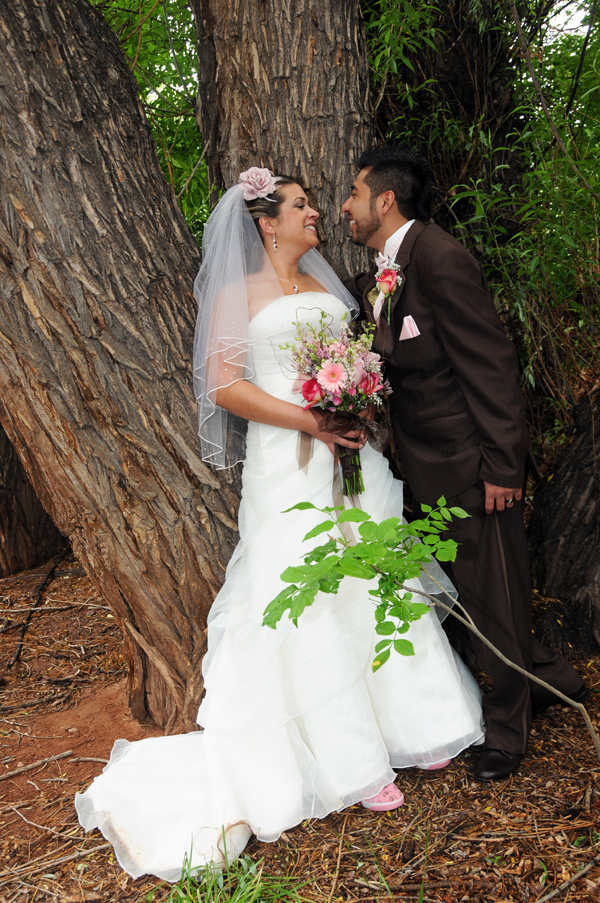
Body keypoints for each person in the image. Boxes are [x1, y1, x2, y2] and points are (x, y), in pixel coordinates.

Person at [75, 168, 484, 881]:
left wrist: (352, 406)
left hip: (348, 458)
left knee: (372, 573)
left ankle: (417, 722)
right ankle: (353, 761)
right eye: (300, 206)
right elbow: (225, 385)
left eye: (314, 204)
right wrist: (309, 418)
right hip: (284, 463)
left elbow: (355, 361)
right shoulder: (237, 294)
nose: (315, 213)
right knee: (313, 597)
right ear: (267, 223)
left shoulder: (330, 291)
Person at [342, 144, 588, 783]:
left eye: (353, 193)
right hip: (422, 465)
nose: (345, 205)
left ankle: (508, 732)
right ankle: (549, 680)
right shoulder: (385, 271)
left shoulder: (441, 258)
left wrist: (505, 468)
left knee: (493, 594)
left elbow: (492, 366)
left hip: (471, 466)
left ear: (384, 200)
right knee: (468, 598)